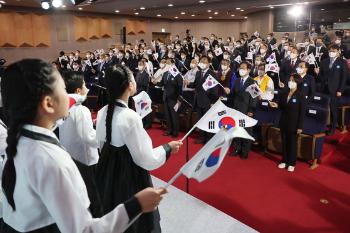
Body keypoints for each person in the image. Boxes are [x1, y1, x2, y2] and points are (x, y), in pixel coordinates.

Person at [0, 59, 166, 233]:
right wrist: (136, 205)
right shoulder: (52, 160)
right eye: (64, 89)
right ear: (48, 104)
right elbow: (84, 230)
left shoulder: (19, 139)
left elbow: (72, 101)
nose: (71, 96)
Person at [95, 64, 182, 233]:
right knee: (136, 223)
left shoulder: (102, 112)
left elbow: (101, 145)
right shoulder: (130, 117)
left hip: (106, 173)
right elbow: (146, 158)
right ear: (130, 85)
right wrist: (168, 148)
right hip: (129, 177)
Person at [59, 71, 102, 217]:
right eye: (84, 84)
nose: (86, 87)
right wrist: (105, 137)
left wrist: (92, 123)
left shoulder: (65, 106)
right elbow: (89, 138)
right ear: (78, 90)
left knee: (78, 193)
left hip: (71, 155)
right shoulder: (82, 109)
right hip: (86, 160)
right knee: (94, 196)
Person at [269, 74, 306, 172]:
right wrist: (275, 105)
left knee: (292, 143)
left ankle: (292, 163)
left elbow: (302, 113)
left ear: (297, 82)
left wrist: (300, 126)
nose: (291, 82)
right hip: (284, 121)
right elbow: (281, 107)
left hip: (294, 124)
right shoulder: (284, 93)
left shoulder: (301, 95)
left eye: (293, 80)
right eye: (290, 80)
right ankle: (284, 161)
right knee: (284, 142)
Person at [315, 44, 349, 135]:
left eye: (333, 51)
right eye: (330, 51)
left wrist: (340, 90)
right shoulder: (324, 61)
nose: (331, 53)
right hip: (324, 89)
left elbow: (344, 78)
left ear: (338, 52)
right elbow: (320, 77)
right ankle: (321, 126)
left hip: (335, 90)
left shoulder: (342, 62)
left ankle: (333, 127)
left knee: (333, 109)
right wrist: (317, 73)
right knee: (323, 108)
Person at [185, 56, 219, 144]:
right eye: (201, 61)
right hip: (198, 99)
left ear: (208, 64)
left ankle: (208, 138)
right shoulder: (198, 72)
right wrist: (188, 84)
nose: (202, 63)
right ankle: (201, 137)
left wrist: (212, 101)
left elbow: (214, 89)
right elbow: (196, 85)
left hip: (207, 101)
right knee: (200, 119)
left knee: (208, 120)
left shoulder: (212, 73)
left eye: (204, 61)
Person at [228, 61, 257, 159]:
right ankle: (237, 148)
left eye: (243, 68)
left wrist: (251, 110)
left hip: (246, 110)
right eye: (240, 68)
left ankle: (245, 151)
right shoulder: (236, 81)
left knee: (246, 131)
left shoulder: (253, 81)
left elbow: (254, 98)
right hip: (236, 109)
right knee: (236, 130)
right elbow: (232, 95)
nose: (241, 70)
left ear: (248, 70)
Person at [157, 59, 183, 138]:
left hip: (174, 98)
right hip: (166, 97)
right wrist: (155, 82)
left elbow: (180, 86)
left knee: (174, 115)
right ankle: (169, 130)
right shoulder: (165, 73)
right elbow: (162, 83)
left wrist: (178, 97)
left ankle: (175, 131)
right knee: (167, 115)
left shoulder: (177, 74)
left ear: (173, 64)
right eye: (167, 64)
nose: (168, 65)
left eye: (169, 64)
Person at [135, 59, 152, 129]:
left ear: (144, 66)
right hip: (138, 93)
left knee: (145, 109)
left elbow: (145, 84)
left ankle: (147, 123)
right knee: (140, 109)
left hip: (144, 93)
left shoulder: (146, 74)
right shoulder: (138, 73)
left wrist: (138, 85)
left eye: (141, 65)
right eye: (139, 65)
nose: (139, 67)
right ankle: (141, 122)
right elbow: (136, 81)